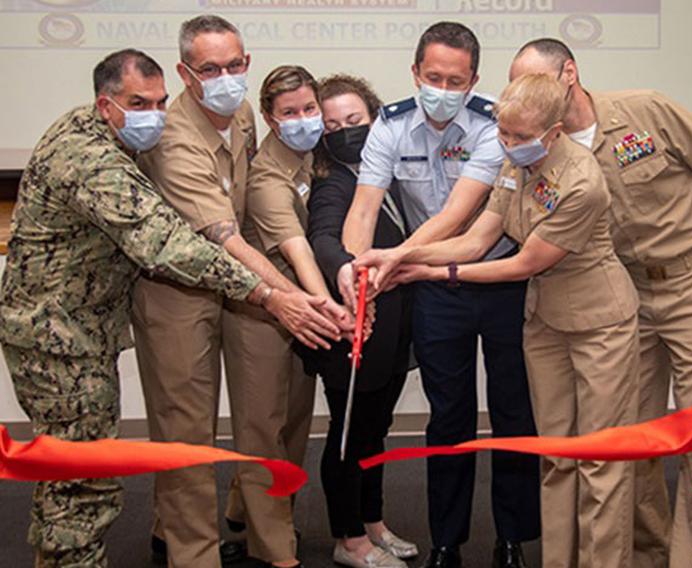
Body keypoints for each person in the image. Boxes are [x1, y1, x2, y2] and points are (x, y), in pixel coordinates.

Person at [0, 48, 321, 568]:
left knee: (83, 469)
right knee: (81, 480)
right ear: (106, 106)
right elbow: (166, 242)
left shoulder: (109, 127)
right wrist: (269, 295)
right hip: (56, 336)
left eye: (158, 100)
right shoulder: (89, 158)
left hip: (85, 328)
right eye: (138, 102)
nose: (154, 112)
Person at [508, 38, 692, 568]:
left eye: (535, 80)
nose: (525, 94)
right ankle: (650, 554)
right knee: (633, 439)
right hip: (623, 297)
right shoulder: (547, 150)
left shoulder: (644, 109)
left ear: (569, 73)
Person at [358, 73, 641, 568]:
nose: (508, 145)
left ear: (554, 132)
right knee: (552, 454)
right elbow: (478, 236)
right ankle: (558, 559)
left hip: (599, 320)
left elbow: (524, 262)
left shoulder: (582, 181)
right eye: (504, 134)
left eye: (521, 136)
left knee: (600, 459)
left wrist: (429, 270)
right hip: (546, 318)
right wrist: (399, 255)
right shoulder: (516, 163)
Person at [130, 15, 349, 568]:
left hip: (244, 285)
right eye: (209, 69)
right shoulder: (172, 137)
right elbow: (224, 236)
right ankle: (191, 553)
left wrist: (284, 295)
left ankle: (216, 524)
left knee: (266, 413)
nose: (225, 77)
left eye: (233, 65)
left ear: (247, 64)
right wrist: (288, 297)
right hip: (178, 291)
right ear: (185, 73)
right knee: (187, 429)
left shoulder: (245, 112)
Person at [341, 21, 540, 568]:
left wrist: (395, 258)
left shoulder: (495, 125)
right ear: (415, 73)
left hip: (500, 279)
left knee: (512, 413)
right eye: (434, 77)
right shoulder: (391, 125)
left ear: (475, 80)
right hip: (434, 289)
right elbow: (363, 207)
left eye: (457, 80)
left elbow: (458, 218)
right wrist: (360, 266)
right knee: (447, 417)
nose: (444, 89)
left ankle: (512, 539)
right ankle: (447, 542)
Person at [220, 64, 350, 568]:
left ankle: (244, 513)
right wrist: (335, 310)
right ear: (272, 121)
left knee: (295, 423)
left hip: (306, 309)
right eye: (290, 113)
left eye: (310, 109)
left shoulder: (315, 155)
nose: (304, 120)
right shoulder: (267, 177)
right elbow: (297, 252)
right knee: (262, 431)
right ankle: (275, 551)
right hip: (263, 313)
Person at [305, 73, 416, 568]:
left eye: (355, 120)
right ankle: (348, 540)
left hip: (393, 331)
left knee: (376, 430)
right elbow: (325, 238)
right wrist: (344, 265)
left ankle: (373, 523)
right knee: (349, 435)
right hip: (352, 330)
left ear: (375, 119)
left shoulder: (387, 175)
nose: (345, 130)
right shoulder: (333, 183)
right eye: (333, 124)